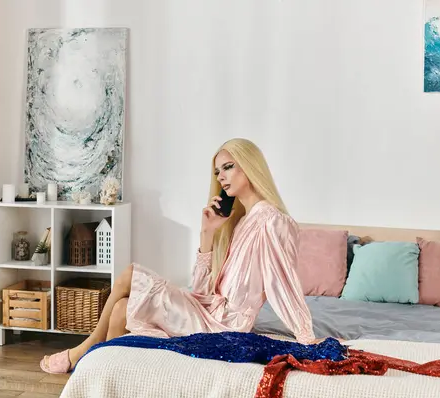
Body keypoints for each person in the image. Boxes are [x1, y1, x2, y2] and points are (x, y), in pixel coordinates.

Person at [40, 138, 316, 374]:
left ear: (251, 166)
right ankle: (114, 379)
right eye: (218, 171)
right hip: (208, 312)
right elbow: (201, 291)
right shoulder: (241, 222)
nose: (221, 176)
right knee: (121, 309)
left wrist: (305, 335)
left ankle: (84, 349)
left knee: (131, 273)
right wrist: (207, 234)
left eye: (229, 167)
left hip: (226, 325)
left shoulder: (273, 221)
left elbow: (283, 281)